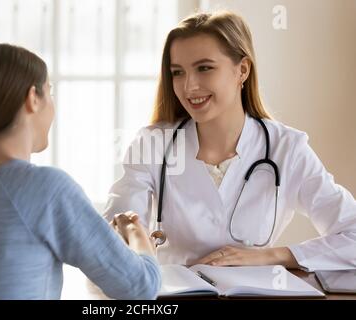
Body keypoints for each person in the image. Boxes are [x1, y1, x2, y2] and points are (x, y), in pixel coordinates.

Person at [103, 11, 356, 270]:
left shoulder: (287, 147)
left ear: (242, 70)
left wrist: (271, 256)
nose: (189, 86)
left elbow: (353, 235)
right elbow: (115, 234)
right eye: (178, 72)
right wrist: (134, 240)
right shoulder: (153, 144)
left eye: (204, 68)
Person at [0, 43, 160, 300]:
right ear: (32, 99)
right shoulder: (46, 189)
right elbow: (140, 287)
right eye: (49, 91)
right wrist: (138, 237)